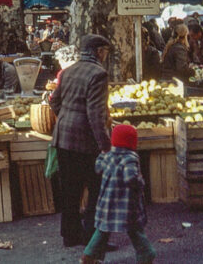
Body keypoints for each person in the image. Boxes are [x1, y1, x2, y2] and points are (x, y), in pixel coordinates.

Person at [49, 34, 112, 248]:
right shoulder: (99, 74)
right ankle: (92, 240)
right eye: (105, 51)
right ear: (99, 51)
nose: (105, 55)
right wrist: (105, 147)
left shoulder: (68, 71)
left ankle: (69, 236)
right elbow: (96, 115)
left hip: (63, 138)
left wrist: (66, 118)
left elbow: (54, 101)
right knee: (96, 191)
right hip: (85, 142)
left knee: (70, 190)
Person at [81, 124, 155, 264]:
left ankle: (88, 256)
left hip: (107, 204)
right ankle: (146, 254)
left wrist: (102, 155)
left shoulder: (108, 155)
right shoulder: (131, 158)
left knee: (102, 231)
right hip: (126, 206)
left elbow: (98, 168)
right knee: (135, 231)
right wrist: (141, 183)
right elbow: (130, 177)